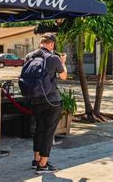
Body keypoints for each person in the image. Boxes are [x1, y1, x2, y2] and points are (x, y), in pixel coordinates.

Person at [27, 33, 67, 174]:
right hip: (51, 100)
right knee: (49, 132)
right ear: (52, 44)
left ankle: (36, 160)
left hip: (34, 99)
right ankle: (43, 165)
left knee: (39, 129)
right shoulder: (53, 58)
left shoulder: (30, 56)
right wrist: (62, 62)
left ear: (41, 42)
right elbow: (63, 76)